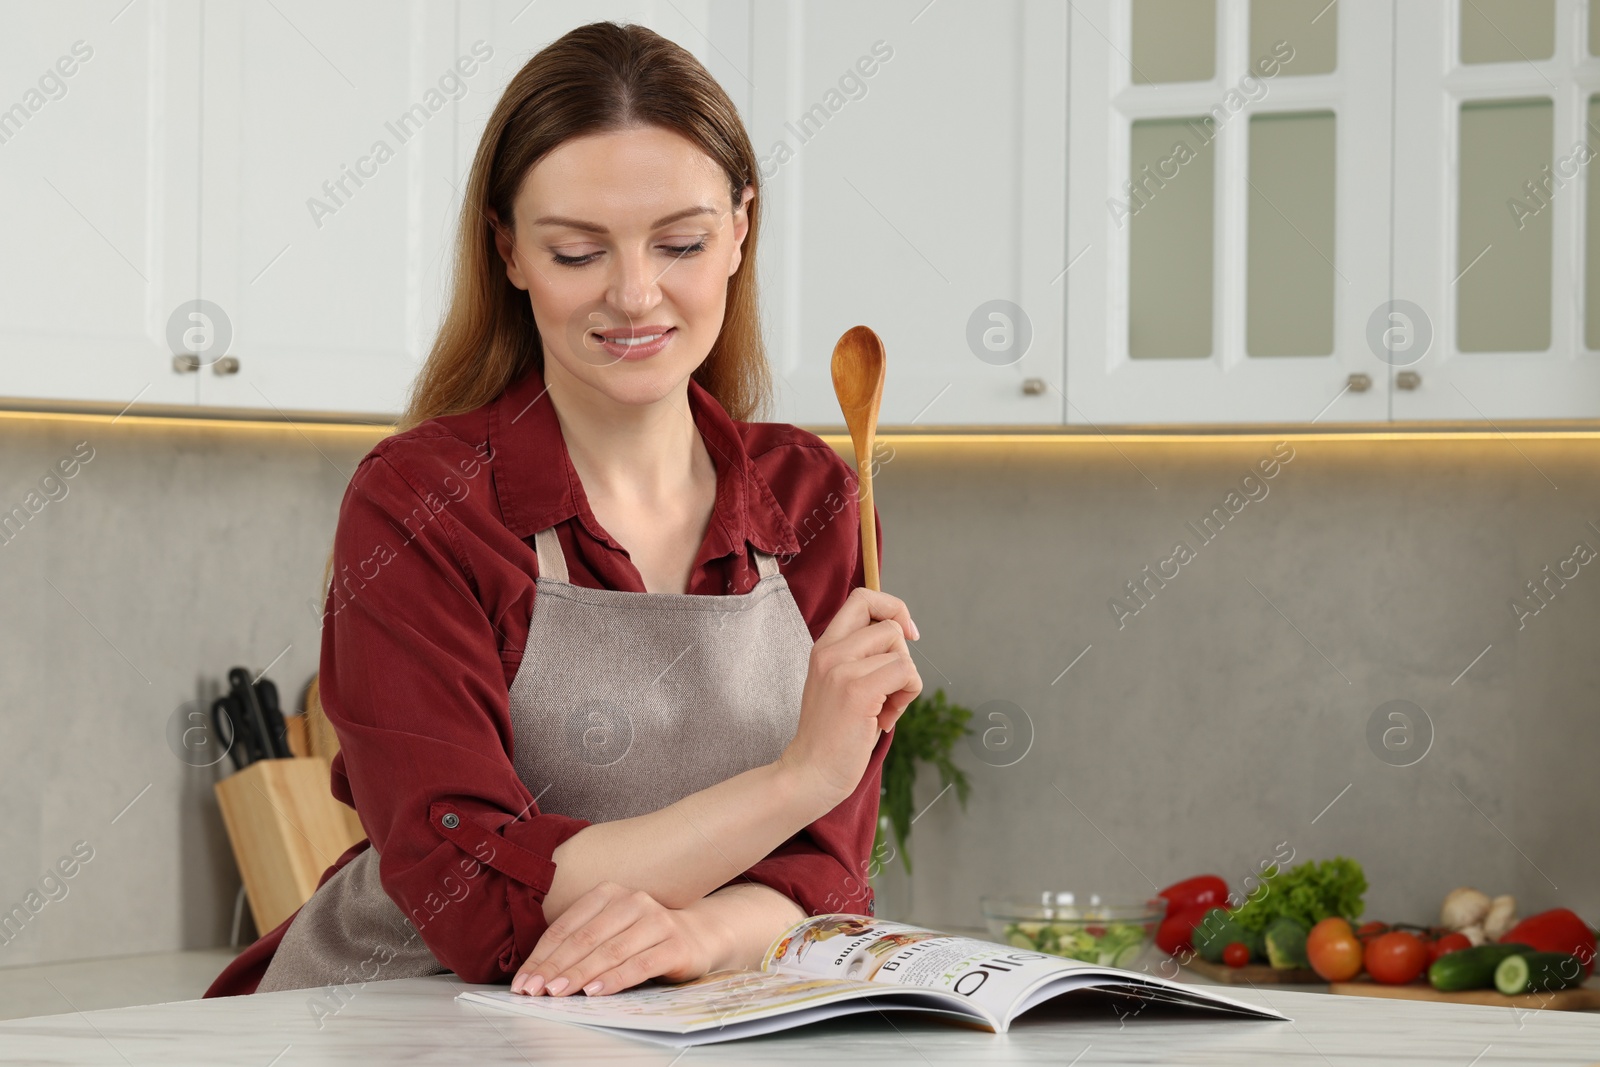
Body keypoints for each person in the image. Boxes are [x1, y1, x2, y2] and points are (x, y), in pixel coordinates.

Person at [204, 20, 922, 1004]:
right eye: (578, 251)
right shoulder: (419, 503)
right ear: (508, 250)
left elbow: (824, 875)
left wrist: (695, 930)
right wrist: (797, 775)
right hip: (397, 1011)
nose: (635, 295)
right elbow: (474, 897)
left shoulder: (815, 497)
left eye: (680, 242)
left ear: (740, 229)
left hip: (678, 1006)